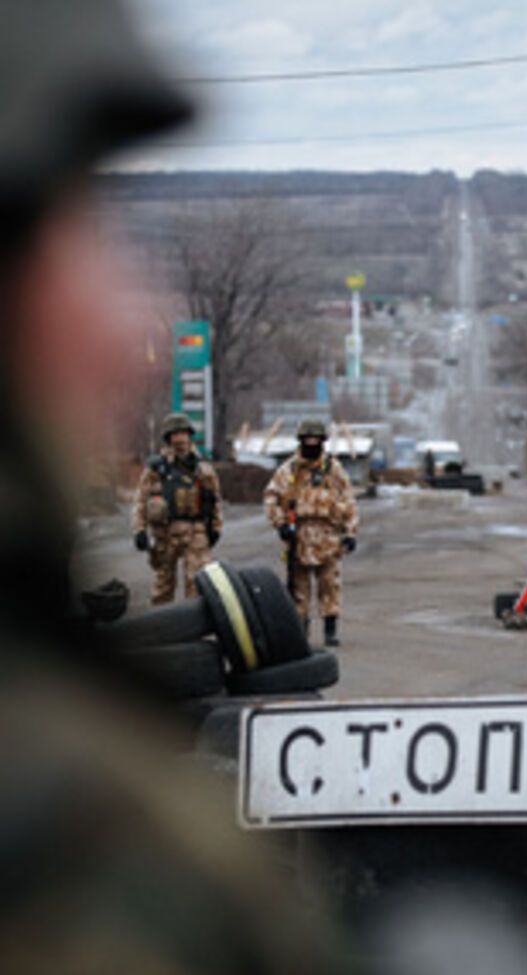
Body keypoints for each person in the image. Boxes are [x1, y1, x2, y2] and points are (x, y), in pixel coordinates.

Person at [0, 2, 349, 970]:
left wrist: (324, 527)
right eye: (68, 230)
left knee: (275, 604)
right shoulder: (68, 823)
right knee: (172, 606)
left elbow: (305, 504)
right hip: (188, 548)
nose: (122, 325)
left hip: (274, 550)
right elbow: (230, 502)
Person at [263, 419, 359, 647]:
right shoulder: (289, 470)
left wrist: (350, 532)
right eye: (308, 440)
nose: (312, 444)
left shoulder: (333, 470)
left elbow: (348, 500)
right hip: (299, 535)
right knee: (299, 589)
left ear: (323, 442)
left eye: (316, 440)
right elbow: (271, 498)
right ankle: (300, 631)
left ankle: (330, 629)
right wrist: (281, 524)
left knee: (330, 585)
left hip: (328, 535)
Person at [131, 412, 223, 605]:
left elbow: (215, 500)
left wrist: (216, 527)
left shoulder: (203, 468)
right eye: (175, 434)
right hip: (165, 533)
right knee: (162, 588)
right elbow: (140, 500)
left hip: (196, 531)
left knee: (197, 586)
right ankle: (162, 631)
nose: (180, 438)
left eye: (183, 433)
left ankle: (194, 628)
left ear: (190, 435)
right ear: (168, 438)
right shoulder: (156, 468)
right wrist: (139, 530)